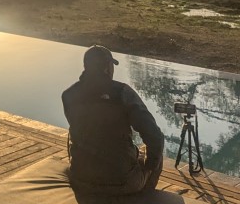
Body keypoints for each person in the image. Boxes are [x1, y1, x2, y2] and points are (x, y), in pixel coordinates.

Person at [62, 44, 164, 194]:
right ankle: (145, 197)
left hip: (80, 177)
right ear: (107, 68)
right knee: (156, 150)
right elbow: (154, 136)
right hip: (122, 181)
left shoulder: (68, 95)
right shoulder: (123, 93)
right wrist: (150, 166)